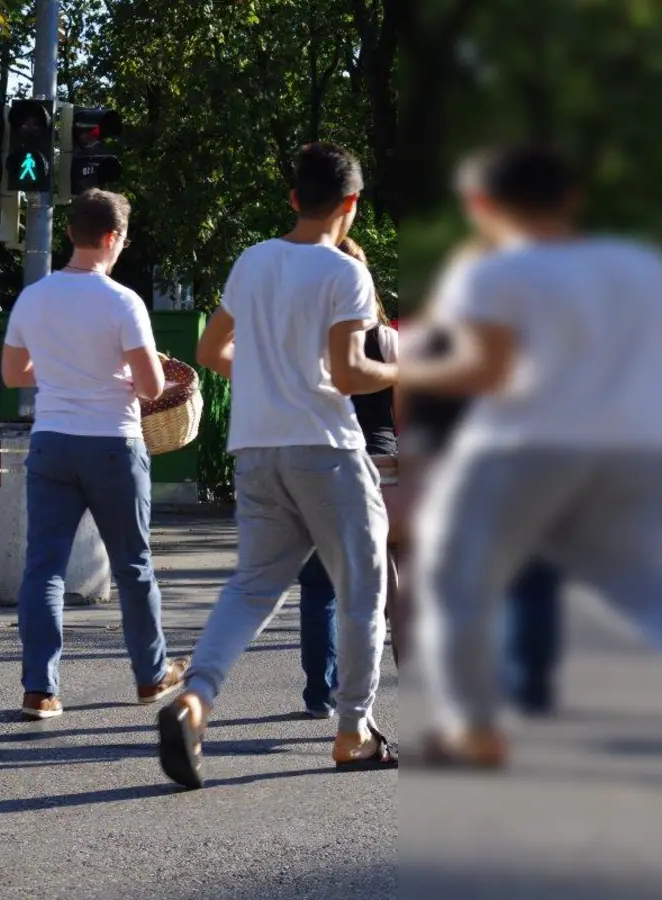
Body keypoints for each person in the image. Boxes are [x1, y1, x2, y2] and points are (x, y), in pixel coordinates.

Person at [403, 143, 662, 788]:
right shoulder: (640, 263)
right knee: (648, 585)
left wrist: (408, 369)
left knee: (457, 582)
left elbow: (489, 371)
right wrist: (627, 379)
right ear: (572, 198)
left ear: (481, 206)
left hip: (522, 446)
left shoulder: (491, 273)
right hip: (636, 445)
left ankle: (474, 732)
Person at [157, 143, 398, 790]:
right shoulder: (345, 273)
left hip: (257, 449)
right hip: (326, 450)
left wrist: (268, 375)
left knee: (251, 588)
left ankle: (194, 700)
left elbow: (211, 349)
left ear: (293, 199)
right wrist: (405, 368)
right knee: (361, 593)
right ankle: (352, 731)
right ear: (351, 203)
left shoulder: (252, 260)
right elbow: (349, 373)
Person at [1, 188, 188, 721]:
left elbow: (15, 375)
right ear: (111, 238)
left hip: (52, 442)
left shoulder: (33, 297)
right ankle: (151, 677)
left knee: (45, 568)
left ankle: (40, 689)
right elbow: (152, 387)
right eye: (124, 239)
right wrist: (122, 373)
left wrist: (61, 371)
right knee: (133, 565)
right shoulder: (122, 301)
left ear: (71, 234)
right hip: (112, 443)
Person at [400, 236, 569, 717]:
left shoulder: (435, 337)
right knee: (533, 575)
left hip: (455, 469)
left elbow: (414, 407)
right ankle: (530, 684)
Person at [294, 235, 400, 718]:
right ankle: (362, 700)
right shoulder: (389, 341)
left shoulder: (306, 341)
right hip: (385, 469)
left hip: (321, 465)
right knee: (376, 593)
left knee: (319, 588)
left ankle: (320, 693)